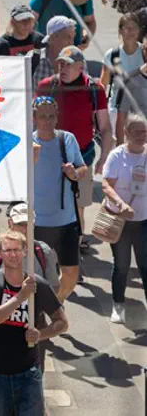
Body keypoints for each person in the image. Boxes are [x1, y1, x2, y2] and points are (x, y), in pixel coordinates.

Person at [0, 231, 68, 416]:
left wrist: (41, 335)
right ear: (0, 253)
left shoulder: (38, 285)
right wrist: (20, 297)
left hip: (28, 373)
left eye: (17, 250)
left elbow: (62, 322)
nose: (13, 255)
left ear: (25, 251)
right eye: (8, 250)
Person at [36, 46, 112, 255]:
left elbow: (105, 128)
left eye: (68, 65)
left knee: (77, 208)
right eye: (60, 64)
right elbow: (33, 122)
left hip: (81, 159)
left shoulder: (95, 90)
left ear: (81, 67)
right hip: (48, 159)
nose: (63, 68)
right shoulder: (46, 86)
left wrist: (104, 158)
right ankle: (49, 253)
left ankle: (72, 255)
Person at [31, 96, 88, 304]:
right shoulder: (27, 142)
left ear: (57, 117)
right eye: (42, 116)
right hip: (37, 222)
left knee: (71, 276)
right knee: (38, 276)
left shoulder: (67, 139)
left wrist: (75, 173)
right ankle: (45, 310)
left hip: (66, 221)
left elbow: (82, 167)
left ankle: (55, 304)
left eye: (51, 116)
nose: (47, 121)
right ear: (34, 118)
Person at [102, 113, 147, 324]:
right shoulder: (117, 156)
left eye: (144, 132)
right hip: (121, 222)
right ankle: (118, 304)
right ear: (126, 132)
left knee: (145, 265)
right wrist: (121, 204)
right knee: (122, 265)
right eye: (136, 132)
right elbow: (106, 185)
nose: (141, 136)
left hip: (144, 221)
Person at [101, 12, 145, 143]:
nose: (131, 32)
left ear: (139, 30)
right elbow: (103, 85)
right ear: (120, 31)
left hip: (141, 110)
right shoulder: (113, 55)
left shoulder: (144, 53)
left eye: (134, 28)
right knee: (121, 148)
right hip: (117, 110)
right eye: (127, 28)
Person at [29, 0, 95, 47]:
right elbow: (29, 23)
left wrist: (86, 37)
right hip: (46, 48)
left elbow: (90, 22)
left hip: (73, 49)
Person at [30, 15, 82, 93]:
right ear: (52, 38)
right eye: (68, 37)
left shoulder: (78, 59)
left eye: (73, 38)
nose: (71, 43)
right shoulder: (33, 59)